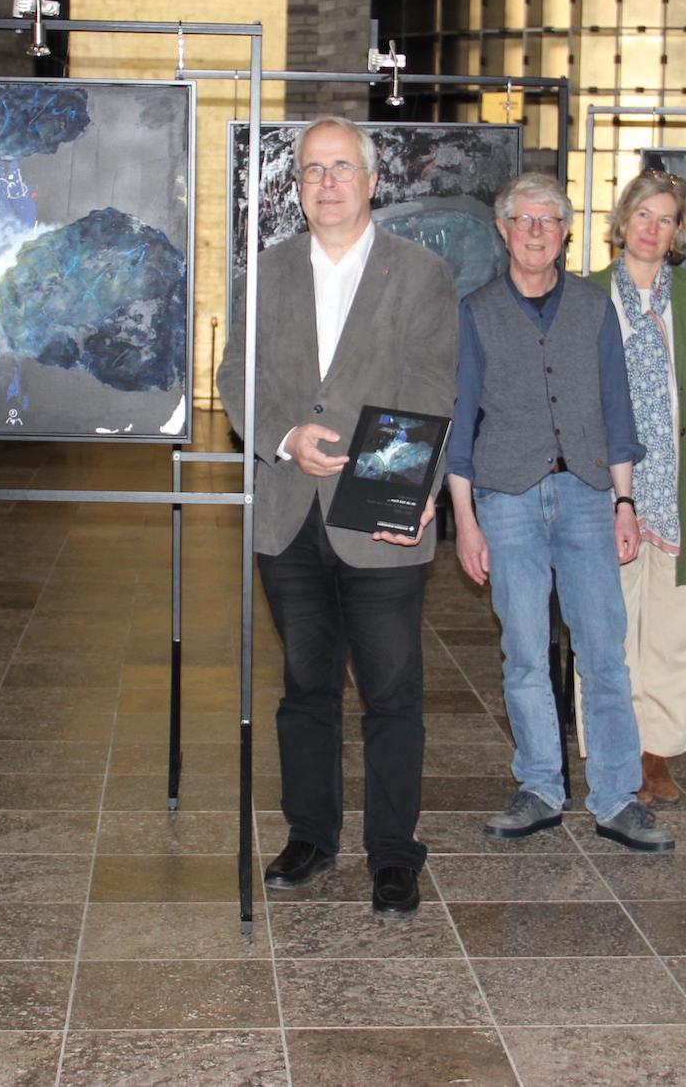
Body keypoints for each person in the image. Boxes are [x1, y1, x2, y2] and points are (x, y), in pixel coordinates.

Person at [217, 116, 457, 918]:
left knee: (391, 691)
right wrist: (284, 435)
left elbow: (430, 387)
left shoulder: (418, 274)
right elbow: (236, 374)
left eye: (341, 168)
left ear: (371, 180)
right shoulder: (268, 272)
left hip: (378, 514)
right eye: (312, 170)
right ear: (297, 186)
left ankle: (393, 854)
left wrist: (408, 478)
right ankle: (310, 836)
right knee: (305, 687)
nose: (326, 182)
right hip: (289, 515)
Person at [447, 171, 672, 853]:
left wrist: (625, 500)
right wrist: (464, 518)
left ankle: (614, 795)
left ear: (567, 231)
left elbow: (616, 406)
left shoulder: (592, 307)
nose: (536, 230)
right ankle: (540, 784)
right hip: (505, 497)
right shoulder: (475, 311)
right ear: (503, 231)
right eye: (523, 219)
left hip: (585, 493)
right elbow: (459, 419)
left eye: (549, 219)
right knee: (522, 649)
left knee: (603, 649)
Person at [586, 169, 686, 807]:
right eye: (644, 215)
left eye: (667, 219)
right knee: (608, 624)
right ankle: (613, 750)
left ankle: (658, 756)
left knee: (677, 630)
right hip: (606, 487)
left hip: (684, 482)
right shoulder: (588, 294)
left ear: (680, 232)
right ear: (624, 222)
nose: (653, 228)